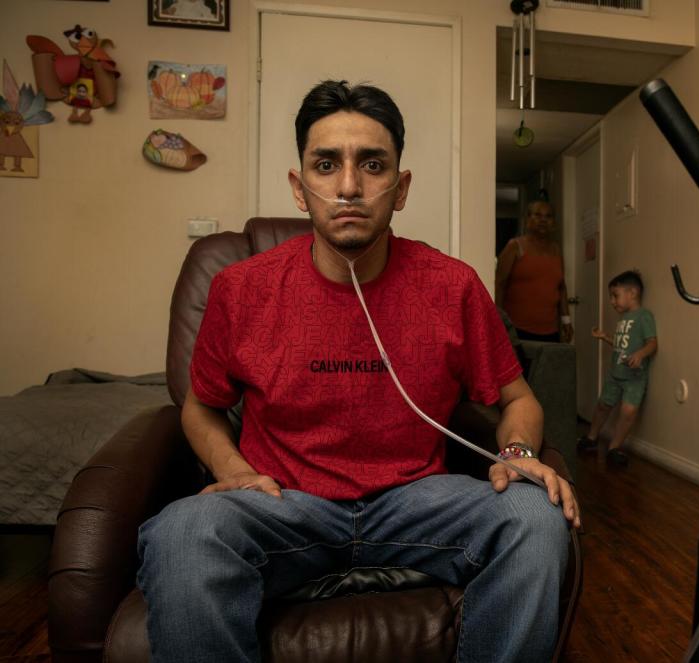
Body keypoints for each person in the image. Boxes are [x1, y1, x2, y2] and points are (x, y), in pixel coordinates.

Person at [136, 80, 580, 663]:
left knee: (534, 517)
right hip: (283, 504)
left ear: (400, 188)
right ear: (300, 189)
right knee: (182, 532)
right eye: (327, 165)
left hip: (416, 500)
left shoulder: (453, 286)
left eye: (372, 165)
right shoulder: (240, 288)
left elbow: (519, 399)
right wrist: (233, 470)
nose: (349, 187)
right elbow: (200, 404)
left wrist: (520, 455)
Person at [577, 270, 657, 467]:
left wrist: (640, 354)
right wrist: (605, 337)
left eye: (615, 295)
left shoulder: (644, 316)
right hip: (615, 374)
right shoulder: (623, 319)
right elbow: (622, 345)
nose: (612, 301)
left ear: (632, 293)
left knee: (628, 411)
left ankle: (614, 447)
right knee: (603, 405)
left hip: (634, 377)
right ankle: (592, 437)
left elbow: (652, 343)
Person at [495, 200, 573, 342]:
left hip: (551, 332)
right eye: (538, 215)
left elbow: (561, 287)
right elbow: (499, 284)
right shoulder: (515, 246)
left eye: (548, 216)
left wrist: (566, 321)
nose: (543, 220)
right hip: (517, 330)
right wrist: (499, 322)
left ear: (553, 222)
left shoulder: (556, 250)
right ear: (527, 219)